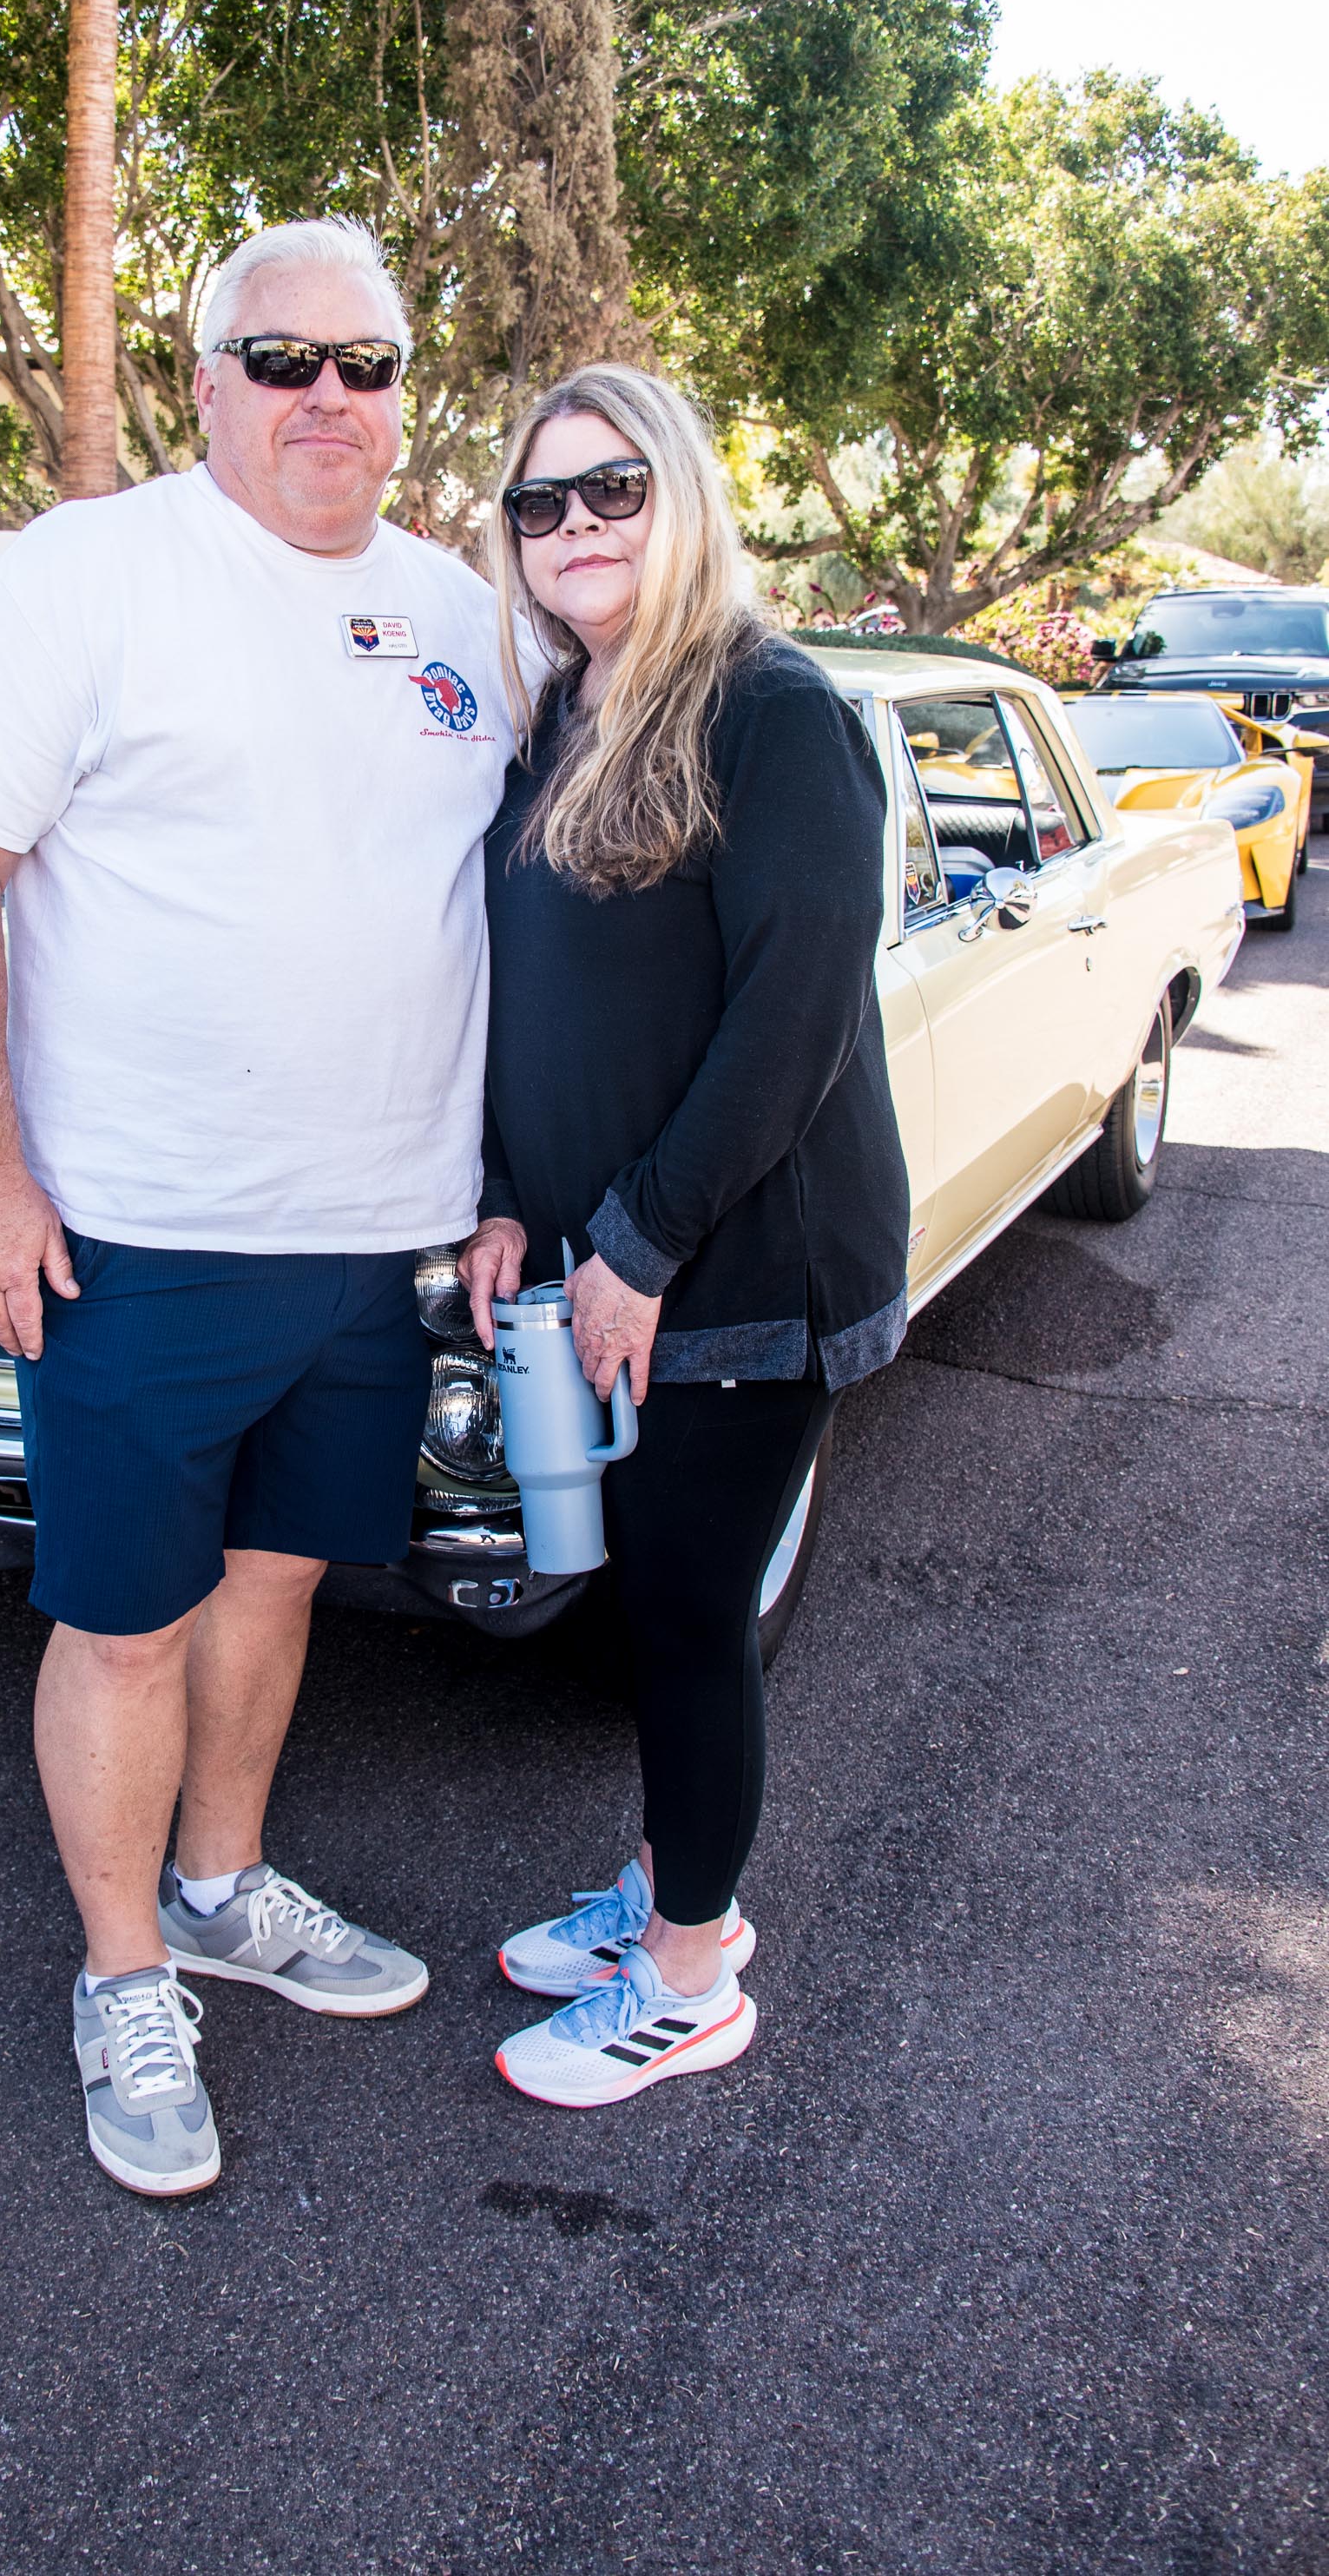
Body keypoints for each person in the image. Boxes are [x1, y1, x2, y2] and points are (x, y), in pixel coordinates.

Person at [0, 218, 510, 2196]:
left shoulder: (460, 613)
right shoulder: (97, 570)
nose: (328, 397)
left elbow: (508, 907)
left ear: (402, 395)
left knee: (279, 1584)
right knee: (127, 1623)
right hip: (140, 1236)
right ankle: (124, 1972)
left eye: (366, 364)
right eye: (282, 357)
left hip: (378, 1236)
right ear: (208, 378)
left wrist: (510, 1188)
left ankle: (223, 1889)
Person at [457, 364, 910, 2111]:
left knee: (688, 1613)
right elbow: (542, 998)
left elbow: (795, 1015)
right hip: (610, 1254)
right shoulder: (566, 713)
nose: (574, 524)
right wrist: (512, 1194)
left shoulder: (771, 710)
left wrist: (640, 1243)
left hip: (746, 1264)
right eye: (541, 502)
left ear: (685, 496)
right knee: (651, 1600)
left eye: (613, 489)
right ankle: (666, 1886)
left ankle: (697, 1973)